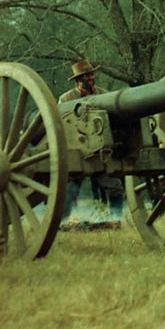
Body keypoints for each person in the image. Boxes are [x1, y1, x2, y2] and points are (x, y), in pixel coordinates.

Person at [57, 59, 124, 229]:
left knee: (115, 188)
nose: (91, 77)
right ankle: (62, 222)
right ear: (78, 80)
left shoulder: (104, 95)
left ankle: (116, 219)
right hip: (77, 153)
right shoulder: (66, 99)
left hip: (99, 152)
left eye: (92, 74)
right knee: (70, 191)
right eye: (87, 75)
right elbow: (62, 126)